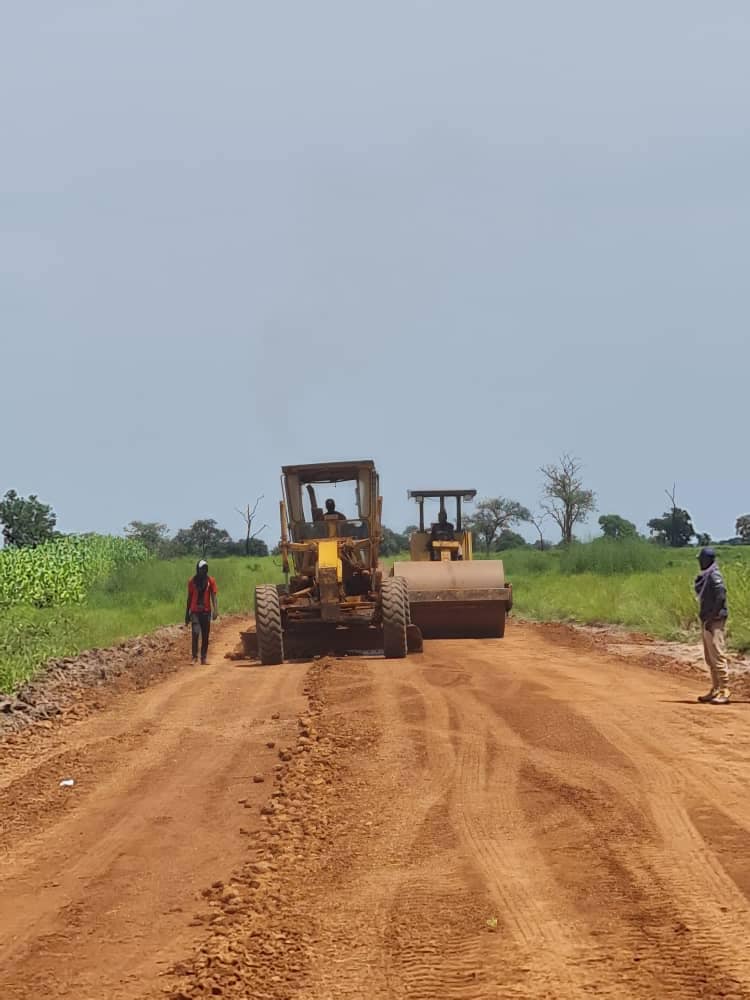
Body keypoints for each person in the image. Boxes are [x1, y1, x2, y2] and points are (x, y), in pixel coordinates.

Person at [694, 547, 730, 705]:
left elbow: (721, 595)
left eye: (701, 559)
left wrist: (711, 617)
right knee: (710, 658)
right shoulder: (707, 575)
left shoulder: (714, 575)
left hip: (714, 620)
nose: (699, 562)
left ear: (706, 560)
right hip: (708, 620)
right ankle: (715, 688)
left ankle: (725, 689)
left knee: (717, 655)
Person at [185, 559, 218, 664]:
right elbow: (189, 598)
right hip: (195, 612)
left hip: (206, 611)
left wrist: (215, 610)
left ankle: (203, 658)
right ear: (198, 569)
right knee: (195, 633)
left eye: (205, 568)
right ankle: (194, 657)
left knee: (205, 635)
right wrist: (187, 613)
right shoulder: (192, 581)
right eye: (201, 568)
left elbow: (213, 596)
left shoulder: (210, 581)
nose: (203, 571)